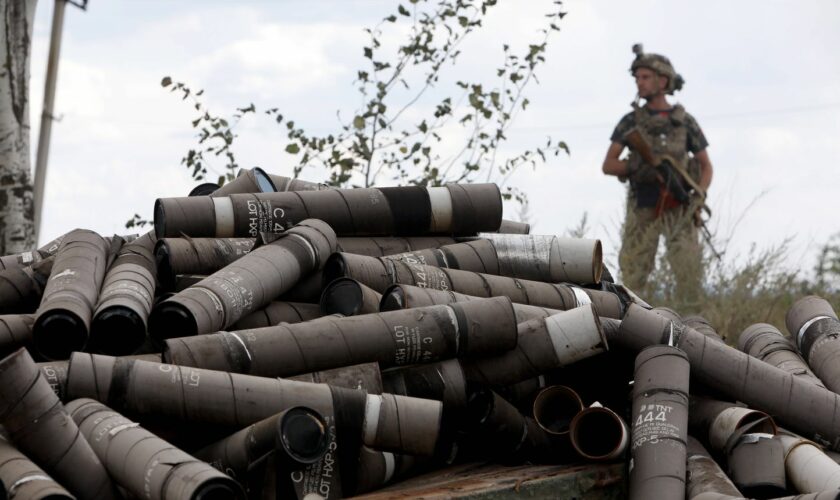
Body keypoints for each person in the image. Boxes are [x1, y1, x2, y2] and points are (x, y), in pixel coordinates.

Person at [602, 44, 713, 302]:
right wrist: (641, 167)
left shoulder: (684, 122)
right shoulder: (631, 122)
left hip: (679, 206)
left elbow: (706, 166)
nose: (639, 83)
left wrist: (698, 197)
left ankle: (692, 327)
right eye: (637, 78)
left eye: (645, 77)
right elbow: (609, 164)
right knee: (633, 276)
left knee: (688, 274)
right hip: (644, 205)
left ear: (662, 80)